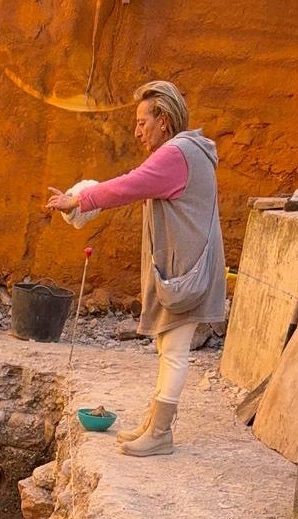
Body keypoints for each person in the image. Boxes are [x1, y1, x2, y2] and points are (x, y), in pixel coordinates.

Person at [46, 80, 226, 457]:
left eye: (143, 121)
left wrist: (77, 200)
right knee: (168, 346)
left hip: (186, 271)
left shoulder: (176, 153)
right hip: (188, 267)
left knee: (175, 349)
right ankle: (153, 423)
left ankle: (160, 433)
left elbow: (129, 186)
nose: (137, 130)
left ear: (163, 119)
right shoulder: (189, 150)